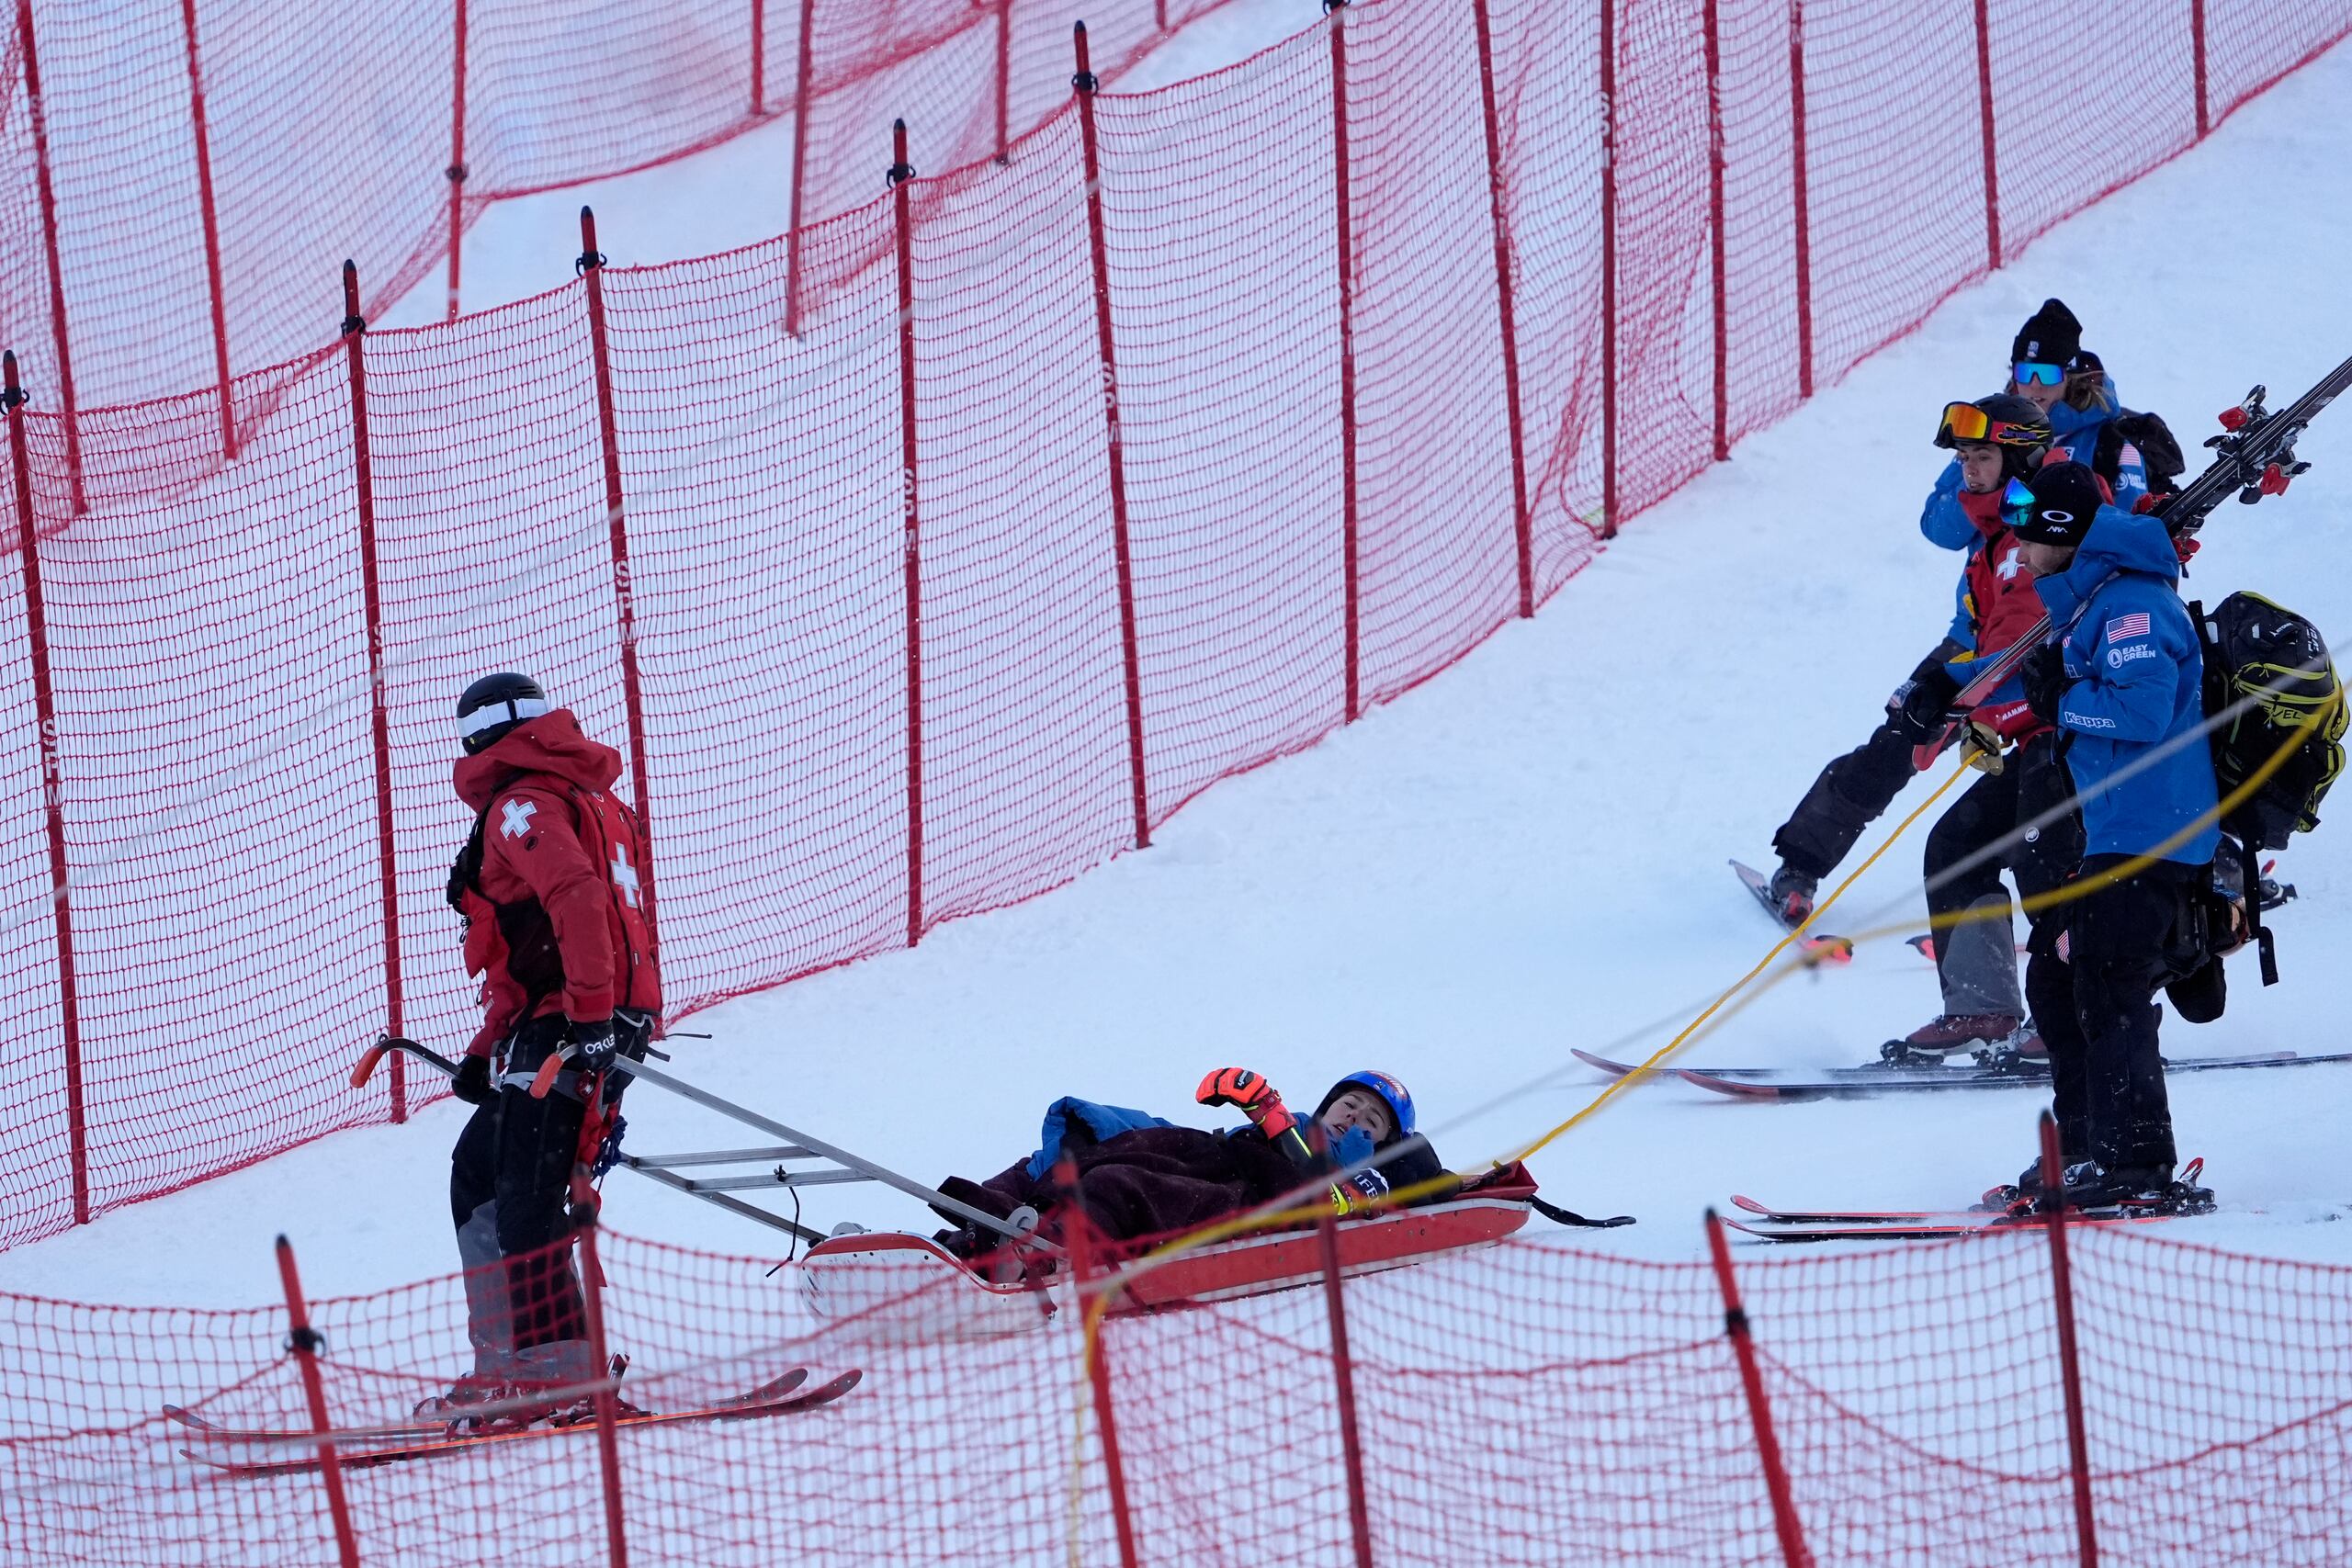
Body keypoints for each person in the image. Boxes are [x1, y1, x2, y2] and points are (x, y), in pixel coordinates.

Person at [420, 673, 663, 1426]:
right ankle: (518, 1362)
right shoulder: (591, 796)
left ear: (476, 740)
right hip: (591, 1019)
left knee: (526, 1191)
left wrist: (586, 1015)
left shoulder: (520, 802)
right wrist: (486, 1046)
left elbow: (578, 900)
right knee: (482, 1169)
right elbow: (534, 944)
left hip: (571, 1024)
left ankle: (550, 1373)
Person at [1999, 476, 2221, 1209]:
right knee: (2058, 981)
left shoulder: (2130, 602)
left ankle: (2137, 1160)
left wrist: (2061, 700)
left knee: (2107, 981)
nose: (2020, 553)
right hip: (2120, 831)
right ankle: (2089, 1148)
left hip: (2156, 831)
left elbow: (2147, 711)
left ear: (2063, 531)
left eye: (2029, 535)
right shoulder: (2093, 603)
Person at [1762, 394, 2055, 926]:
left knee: (2042, 785)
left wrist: (1960, 691)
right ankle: (1802, 864)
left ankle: (2062, 916)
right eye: (1962, 458)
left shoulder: (2038, 521)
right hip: (1971, 646)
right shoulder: (1996, 507)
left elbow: (2018, 626)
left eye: (1981, 458)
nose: (1968, 470)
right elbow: (1939, 529)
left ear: (2020, 458)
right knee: (1894, 744)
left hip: (2021, 664)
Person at [931, 1069, 1449, 1261]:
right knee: (1087, 1145)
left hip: (1247, 1199)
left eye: (1372, 1120)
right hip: (1217, 1154)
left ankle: (1046, 1253)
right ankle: (963, 1234)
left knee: (1119, 1183)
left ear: (1384, 1143)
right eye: (1349, 1104)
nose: (1354, 1116)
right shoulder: (1294, 1124)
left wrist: (1269, 1118)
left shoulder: (1370, 1177)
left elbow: (1322, 1206)